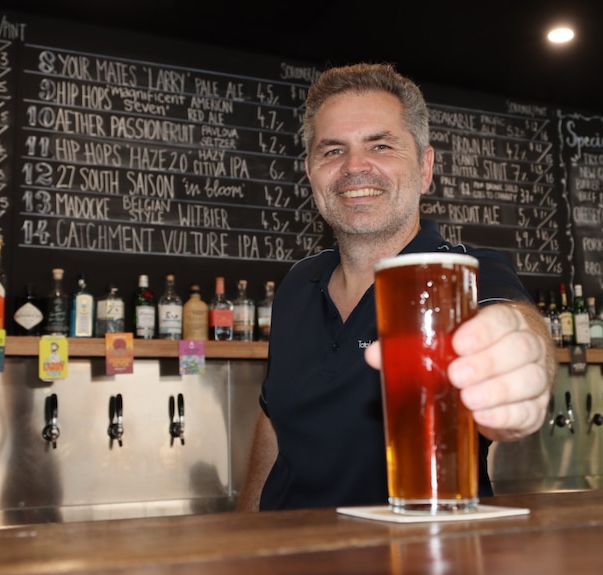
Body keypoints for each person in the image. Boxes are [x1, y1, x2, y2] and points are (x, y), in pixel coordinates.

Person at [237, 63, 556, 511]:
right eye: (332, 151)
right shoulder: (295, 284)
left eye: (381, 145)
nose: (355, 167)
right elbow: (274, 421)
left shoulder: (462, 274)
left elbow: (515, 326)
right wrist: (246, 534)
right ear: (310, 172)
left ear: (425, 167)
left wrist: (523, 358)